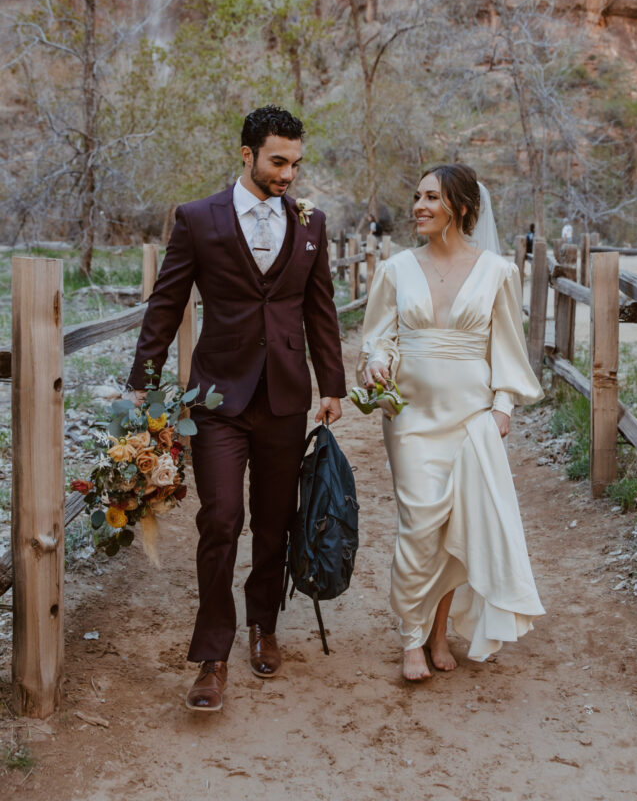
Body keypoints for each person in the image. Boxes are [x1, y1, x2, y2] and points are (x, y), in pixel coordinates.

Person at [126, 105, 346, 712]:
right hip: (218, 398)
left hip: (283, 398)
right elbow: (167, 303)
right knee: (220, 520)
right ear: (245, 154)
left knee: (274, 521)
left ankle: (263, 626)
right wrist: (142, 380)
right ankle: (212, 655)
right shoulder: (199, 219)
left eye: (296, 163)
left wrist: (332, 383)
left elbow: (319, 308)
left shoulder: (311, 222)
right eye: (278, 161)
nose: (289, 175)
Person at [359, 163, 544, 681]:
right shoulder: (395, 268)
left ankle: (438, 633)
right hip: (411, 416)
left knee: (456, 526)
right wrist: (377, 361)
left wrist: (503, 406)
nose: (419, 206)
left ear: (460, 208)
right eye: (417, 196)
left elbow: (504, 346)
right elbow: (379, 336)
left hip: (471, 418)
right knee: (419, 525)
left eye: (432, 198)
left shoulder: (496, 272)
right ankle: (410, 638)